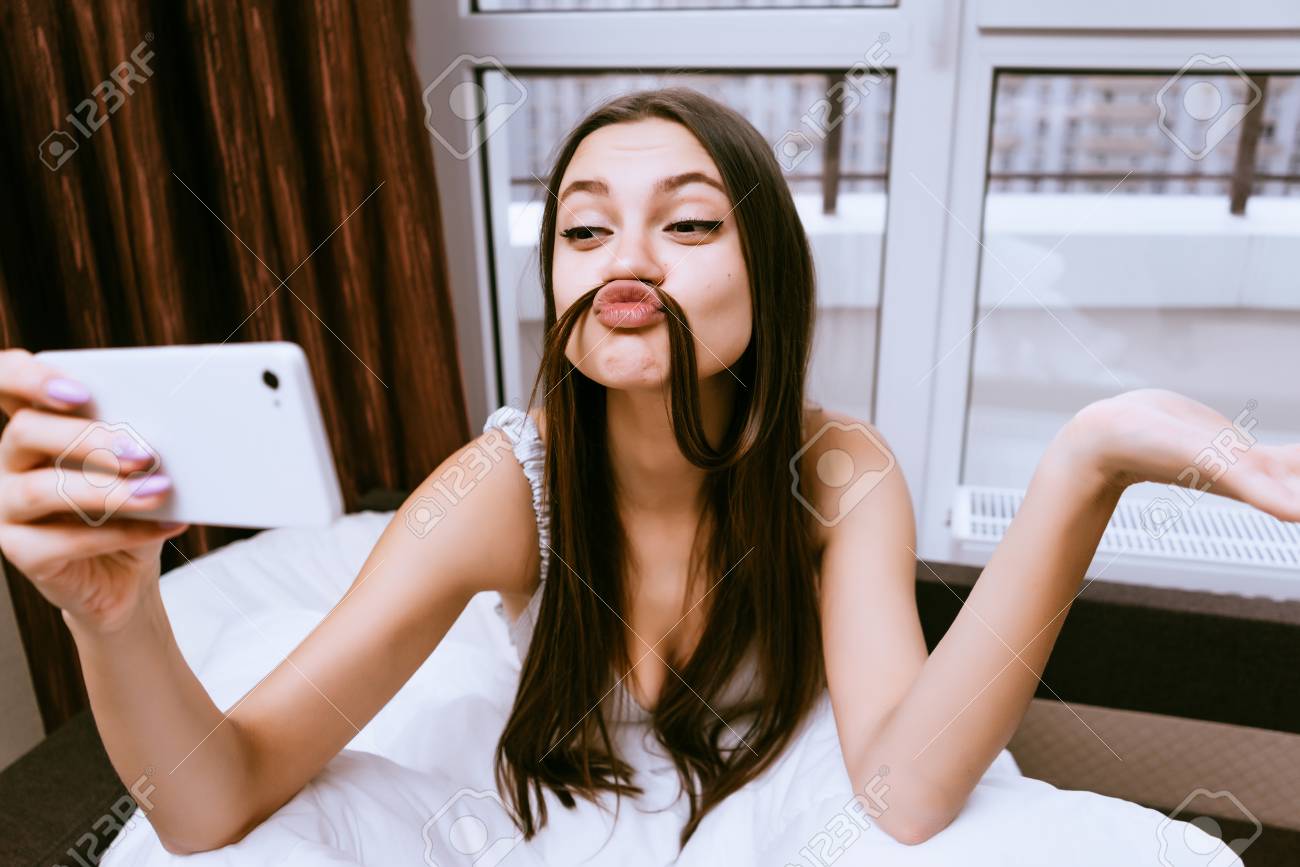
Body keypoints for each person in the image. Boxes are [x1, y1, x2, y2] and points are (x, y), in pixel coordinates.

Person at [1, 88, 1285, 863]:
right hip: (532, 794)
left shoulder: (839, 469)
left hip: (771, 789)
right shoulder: (498, 488)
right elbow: (212, 802)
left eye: (688, 221)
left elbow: (902, 795)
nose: (628, 256)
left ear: (766, 275)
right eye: (583, 227)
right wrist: (113, 615)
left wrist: (1085, 464)